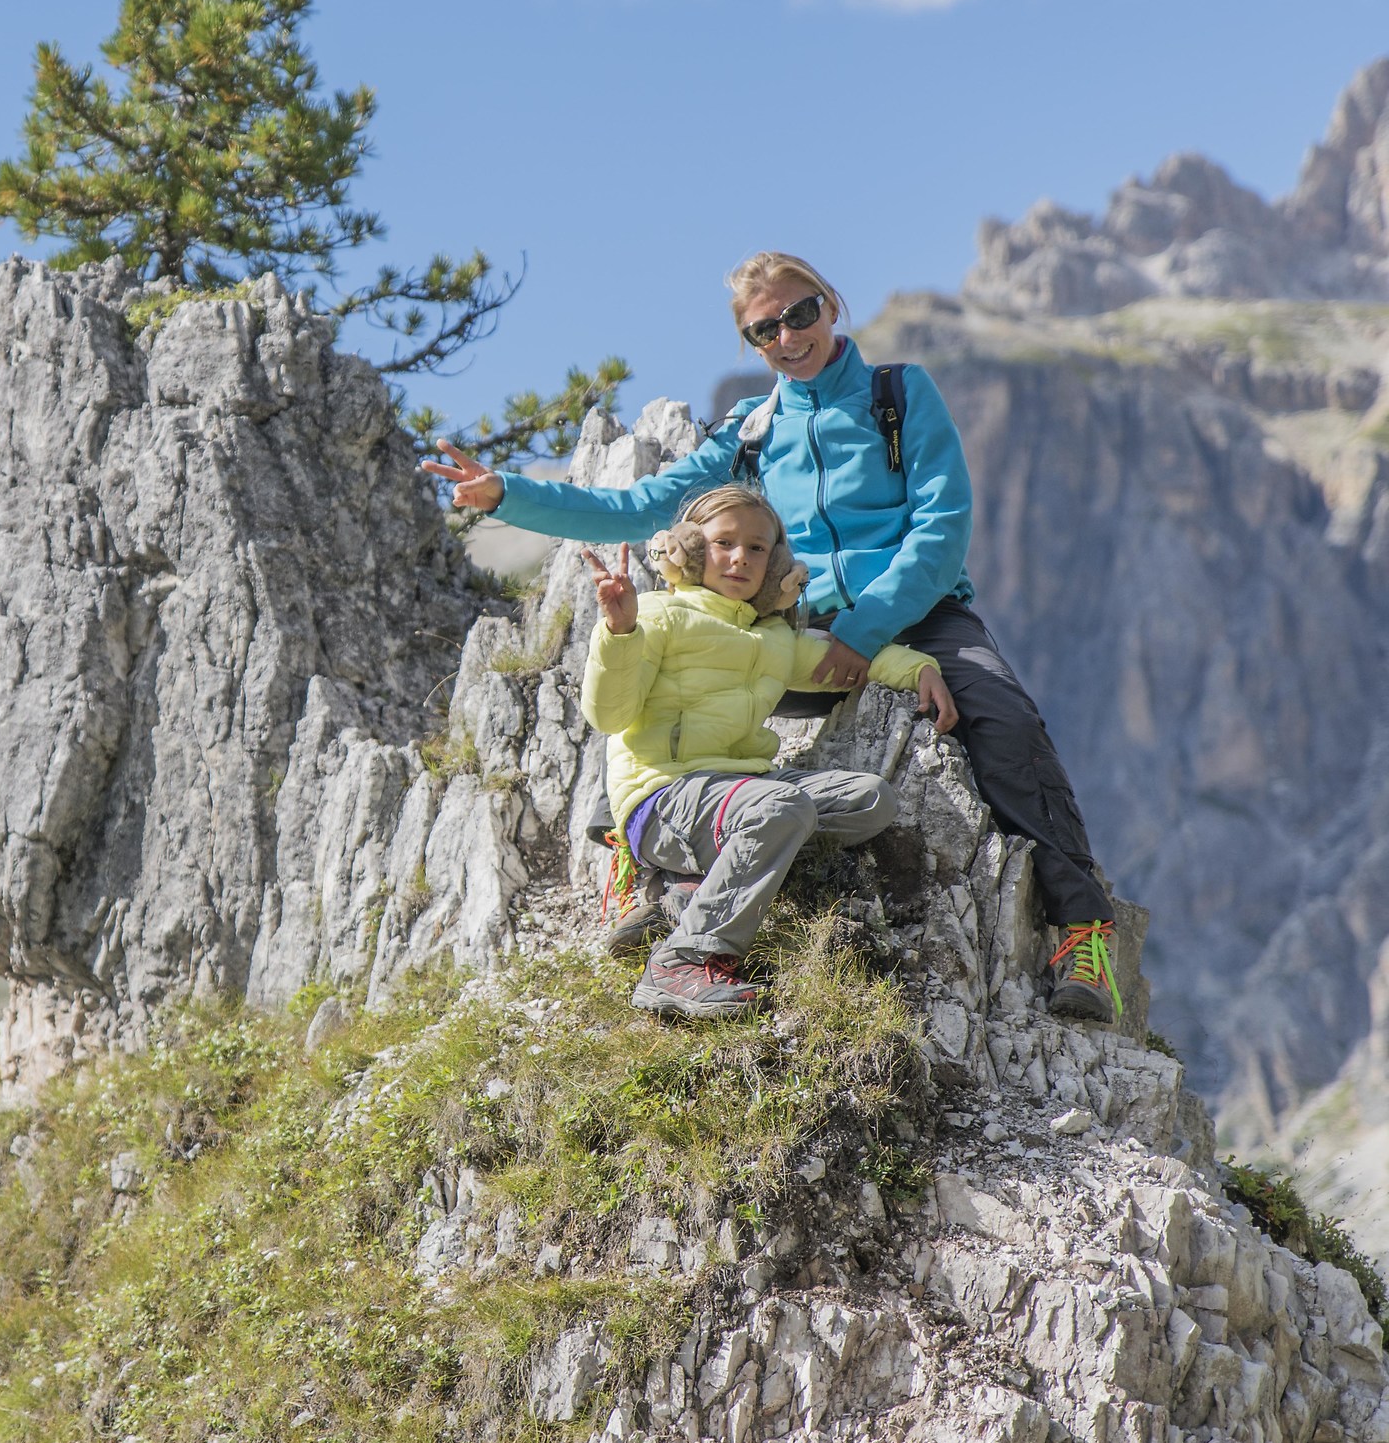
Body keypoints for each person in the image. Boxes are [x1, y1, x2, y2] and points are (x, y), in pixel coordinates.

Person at [422, 250, 1126, 1024]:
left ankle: (1081, 932)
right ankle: (640, 848)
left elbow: (940, 531)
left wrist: (863, 636)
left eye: (801, 313)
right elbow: (637, 510)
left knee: (1006, 721)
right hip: (799, 626)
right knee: (666, 664)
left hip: (916, 608)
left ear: (832, 306)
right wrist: (504, 494)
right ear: (751, 344)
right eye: (765, 330)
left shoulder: (899, 395)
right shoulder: (750, 434)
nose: (788, 337)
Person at [577, 485, 953, 1018]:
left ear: (777, 564)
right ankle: (683, 961)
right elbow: (609, 716)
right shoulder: (658, 616)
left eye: (758, 548)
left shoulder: (775, 638)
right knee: (781, 810)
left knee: (871, 800)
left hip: (738, 791)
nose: (740, 558)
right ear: (687, 551)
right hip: (663, 797)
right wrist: (618, 631)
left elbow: (848, 659)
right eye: (723, 542)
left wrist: (920, 669)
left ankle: (686, 893)